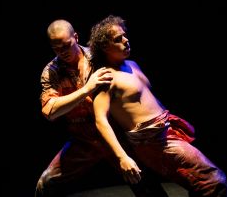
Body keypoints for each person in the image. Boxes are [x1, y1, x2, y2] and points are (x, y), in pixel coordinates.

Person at [88, 14, 227, 197]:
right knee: (215, 182)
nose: (126, 41)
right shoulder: (106, 77)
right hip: (154, 142)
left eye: (124, 35)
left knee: (198, 184)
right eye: (118, 39)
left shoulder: (132, 64)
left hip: (168, 132)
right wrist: (122, 156)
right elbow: (100, 120)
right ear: (105, 46)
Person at [35, 19, 169, 197]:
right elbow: (50, 111)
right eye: (56, 48)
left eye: (66, 45)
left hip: (113, 134)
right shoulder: (52, 71)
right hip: (83, 139)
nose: (62, 52)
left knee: (143, 182)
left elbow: (129, 77)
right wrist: (86, 89)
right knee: (46, 184)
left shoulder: (98, 57)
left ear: (75, 37)